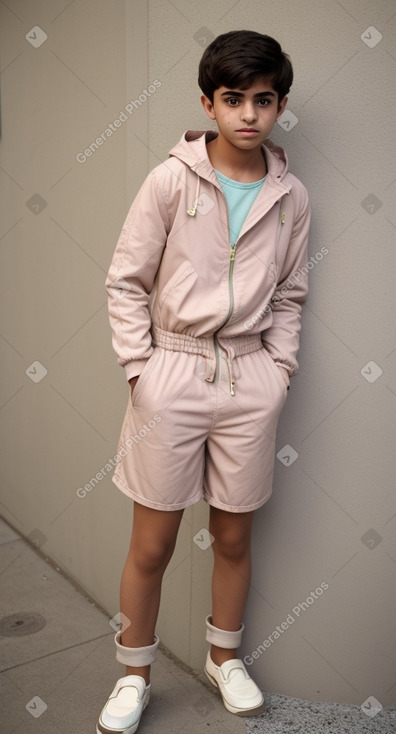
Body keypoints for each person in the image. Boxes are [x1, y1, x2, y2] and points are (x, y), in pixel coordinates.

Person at [97, 28, 310, 734]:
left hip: (249, 379)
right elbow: (126, 281)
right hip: (173, 372)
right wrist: (141, 370)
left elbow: (288, 295)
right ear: (207, 103)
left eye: (262, 100)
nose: (248, 114)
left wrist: (276, 372)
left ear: (278, 105)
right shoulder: (169, 179)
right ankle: (133, 675)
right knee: (151, 544)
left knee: (232, 537)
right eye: (232, 99)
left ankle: (224, 660)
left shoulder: (291, 197)